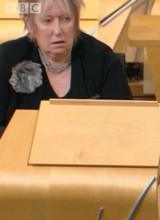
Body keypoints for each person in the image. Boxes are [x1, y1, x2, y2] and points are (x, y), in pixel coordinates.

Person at [0, 0, 132, 129]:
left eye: (66, 19)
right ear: (30, 25)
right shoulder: (7, 58)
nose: (57, 31)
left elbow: (125, 125)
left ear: (76, 22)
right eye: (47, 20)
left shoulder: (102, 59)